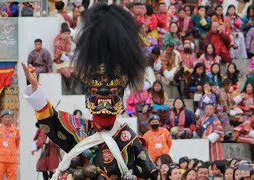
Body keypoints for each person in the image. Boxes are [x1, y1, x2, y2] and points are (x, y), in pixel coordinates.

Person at [23, 3, 158, 179]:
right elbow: (51, 120)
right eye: (98, 94)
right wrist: (35, 88)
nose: (104, 98)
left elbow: (150, 173)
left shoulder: (127, 138)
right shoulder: (78, 129)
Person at [0, 110, 20, 180]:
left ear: (12, 118)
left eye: (9, 117)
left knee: (12, 178)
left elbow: (17, 144)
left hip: (12, 160)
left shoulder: (16, 130)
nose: (8, 119)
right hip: (0, 160)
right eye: (6, 117)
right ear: (2, 118)